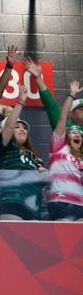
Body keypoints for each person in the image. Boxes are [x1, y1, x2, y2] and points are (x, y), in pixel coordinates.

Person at [0, 86, 47, 220]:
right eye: (17, 127)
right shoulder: (5, 147)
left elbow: (42, 181)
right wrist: (20, 102)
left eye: (24, 128)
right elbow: (9, 126)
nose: (22, 130)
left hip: (33, 205)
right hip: (11, 202)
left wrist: (43, 174)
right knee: (11, 240)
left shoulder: (34, 155)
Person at [48, 81, 83, 220]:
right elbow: (62, 118)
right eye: (73, 132)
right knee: (64, 240)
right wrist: (72, 95)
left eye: (80, 134)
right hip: (61, 202)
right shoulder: (58, 147)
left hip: (81, 205)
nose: (77, 135)